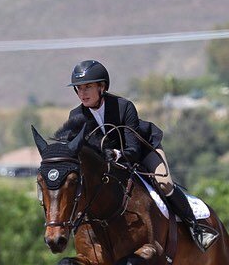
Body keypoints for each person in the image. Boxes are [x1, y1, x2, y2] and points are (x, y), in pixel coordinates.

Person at [67, 59, 218, 251]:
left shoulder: (123, 106)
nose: (82, 93)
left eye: (88, 87)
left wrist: (115, 154)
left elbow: (133, 149)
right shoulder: (76, 117)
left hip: (143, 150)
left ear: (102, 86)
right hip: (111, 165)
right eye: (79, 88)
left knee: (164, 184)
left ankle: (197, 228)